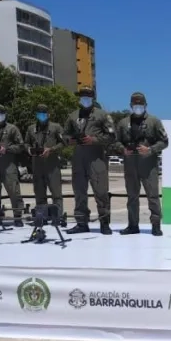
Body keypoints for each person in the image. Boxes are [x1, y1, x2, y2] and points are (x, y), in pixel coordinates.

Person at [113, 92, 169, 236]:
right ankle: (133, 225)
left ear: (145, 105)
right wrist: (123, 149)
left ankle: (156, 225)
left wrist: (150, 149)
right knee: (132, 196)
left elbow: (164, 141)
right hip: (130, 164)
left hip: (148, 165)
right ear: (131, 106)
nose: (138, 107)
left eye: (141, 105)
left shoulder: (154, 121)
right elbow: (115, 141)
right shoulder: (123, 123)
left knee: (153, 196)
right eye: (135, 105)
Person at [63, 86, 116, 235]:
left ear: (93, 98)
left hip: (96, 158)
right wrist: (71, 140)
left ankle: (104, 223)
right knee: (79, 192)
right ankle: (81, 223)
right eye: (82, 96)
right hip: (78, 158)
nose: (85, 99)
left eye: (88, 96)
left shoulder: (102, 115)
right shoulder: (73, 116)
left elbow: (112, 136)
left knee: (101, 192)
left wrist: (93, 140)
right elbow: (64, 135)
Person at [24, 104, 65, 221]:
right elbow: (26, 143)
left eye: (44, 113)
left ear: (48, 114)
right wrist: (29, 150)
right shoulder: (31, 128)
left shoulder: (56, 127)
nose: (41, 115)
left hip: (52, 165)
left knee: (56, 193)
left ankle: (58, 216)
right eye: (39, 113)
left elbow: (64, 142)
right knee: (39, 192)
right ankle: (42, 216)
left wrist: (51, 149)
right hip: (37, 165)